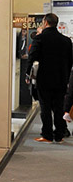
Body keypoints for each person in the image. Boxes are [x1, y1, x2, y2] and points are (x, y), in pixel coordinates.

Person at [26, 12, 72, 143]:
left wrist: (28, 74)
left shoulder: (40, 38)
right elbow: (70, 61)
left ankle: (47, 135)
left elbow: (32, 57)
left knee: (45, 107)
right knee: (59, 107)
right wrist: (66, 77)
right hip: (61, 79)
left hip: (44, 79)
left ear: (45, 22)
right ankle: (59, 135)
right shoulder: (66, 41)